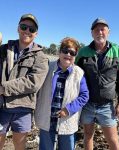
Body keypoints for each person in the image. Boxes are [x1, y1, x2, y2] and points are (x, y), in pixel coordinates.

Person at [75, 18, 119, 150]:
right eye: (96, 29)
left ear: (108, 32)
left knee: (113, 140)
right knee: (87, 136)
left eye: (103, 29)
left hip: (106, 105)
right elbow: (75, 77)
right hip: (87, 104)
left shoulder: (117, 51)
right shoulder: (83, 53)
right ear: (92, 33)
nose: (100, 32)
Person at [0, 13, 49, 150]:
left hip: (23, 110)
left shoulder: (40, 56)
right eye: (24, 27)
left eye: (31, 29)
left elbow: (33, 83)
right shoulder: (4, 49)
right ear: (18, 28)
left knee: (19, 145)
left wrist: (3, 88)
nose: (27, 31)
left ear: (36, 34)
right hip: (1, 107)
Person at [35, 37, 89, 150]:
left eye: (72, 52)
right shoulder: (47, 67)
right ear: (59, 52)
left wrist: (69, 109)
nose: (68, 54)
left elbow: (84, 96)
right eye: (65, 50)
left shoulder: (79, 73)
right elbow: (36, 88)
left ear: (75, 56)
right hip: (47, 118)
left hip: (67, 120)